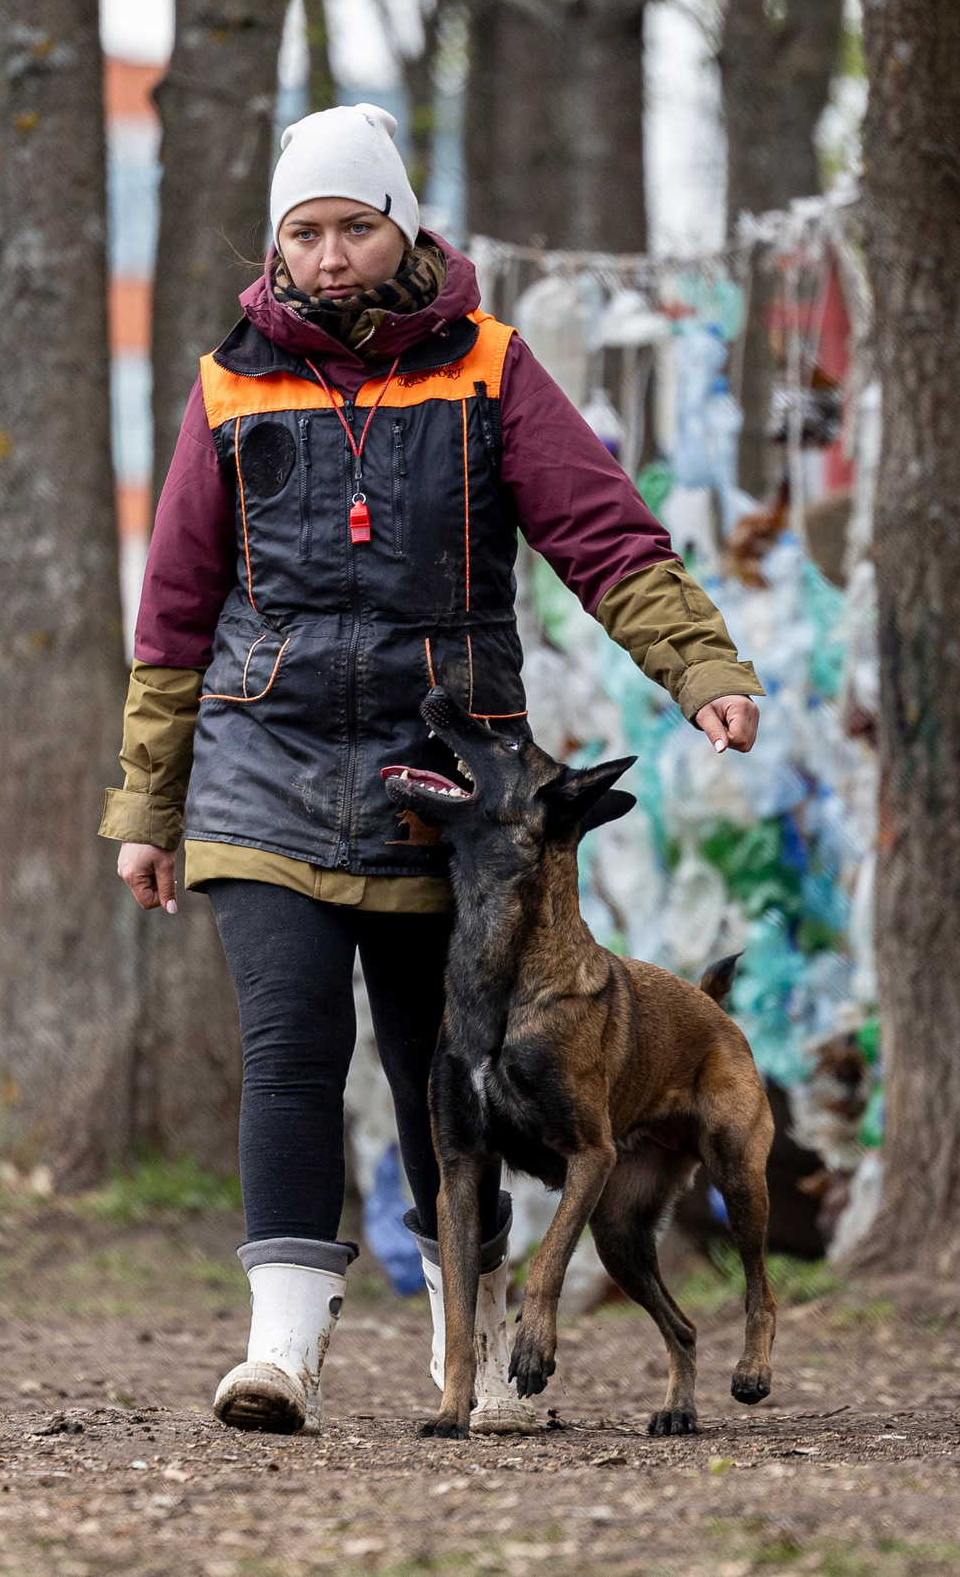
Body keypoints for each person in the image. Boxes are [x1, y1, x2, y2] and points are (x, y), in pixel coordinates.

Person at [103, 103, 763, 1436]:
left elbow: (602, 532)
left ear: (403, 227)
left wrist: (701, 667)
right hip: (261, 763)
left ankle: (469, 1355)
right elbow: (177, 605)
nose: (332, 254)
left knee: (442, 1072)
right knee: (291, 1043)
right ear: (277, 247)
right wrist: (150, 804)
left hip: (444, 785)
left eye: (355, 225)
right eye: (307, 231)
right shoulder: (231, 383)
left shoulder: (490, 371)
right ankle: (281, 1348)